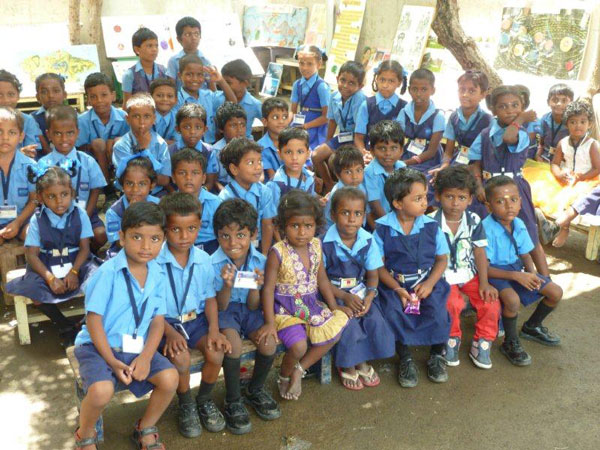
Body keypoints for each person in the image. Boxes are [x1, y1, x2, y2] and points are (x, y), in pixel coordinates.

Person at [72, 201, 177, 450]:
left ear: (162, 240)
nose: (145, 246)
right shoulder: (106, 273)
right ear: (121, 237)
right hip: (98, 346)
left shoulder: (158, 273)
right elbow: (94, 320)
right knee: (101, 392)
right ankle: (85, 434)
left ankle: (145, 426)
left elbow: (157, 320)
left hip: (137, 346)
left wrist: (147, 357)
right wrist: (111, 360)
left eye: (155, 239)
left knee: (170, 378)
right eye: (137, 237)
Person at [260, 190, 349, 400]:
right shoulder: (277, 252)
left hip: (311, 305)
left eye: (308, 226)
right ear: (283, 226)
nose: (302, 232)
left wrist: (334, 307)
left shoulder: (317, 245)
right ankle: (283, 375)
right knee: (298, 346)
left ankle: (299, 370)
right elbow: (268, 289)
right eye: (295, 226)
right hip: (284, 309)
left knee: (334, 330)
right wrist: (270, 323)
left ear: (316, 225)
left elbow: (323, 279)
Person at [157, 192, 231, 437]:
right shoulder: (155, 261)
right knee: (181, 359)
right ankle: (186, 404)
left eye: (191, 229)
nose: (184, 236)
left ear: (200, 227)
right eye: (176, 230)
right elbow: (150, 308)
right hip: (165, 323)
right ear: (165, 229)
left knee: (216, 351)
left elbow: (209, 298)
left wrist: (213, 329)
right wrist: (168, 332)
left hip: (196, 320)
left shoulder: (203, 259)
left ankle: (205, 400)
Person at [5, 162, 99, 347]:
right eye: (51, 196)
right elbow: (31, 255)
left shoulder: (80, 214)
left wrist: (74, 272)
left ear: (72, 193)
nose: (59, 201)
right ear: (40, 197)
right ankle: (66, 325)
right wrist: (49, 278)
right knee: (34, 290)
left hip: (76, 262)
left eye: (64, 194)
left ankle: (88, 325)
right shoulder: (37, 219)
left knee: (98, 281)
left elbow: (85, 248)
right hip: (46, 265)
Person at [375, 168, 451, 387]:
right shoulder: (382, 229)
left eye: (425, 196)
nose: (424, 202)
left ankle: (437, 354)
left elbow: (442, 259)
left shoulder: (431, 226)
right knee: (393, 312)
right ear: (398, 204)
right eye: (417, 198)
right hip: (395, 283)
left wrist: (429, 283)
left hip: (427, 281)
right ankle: (405, 358)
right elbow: (378, 267)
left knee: (437, 310)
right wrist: (397, 289)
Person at [211, 199, 281, 434]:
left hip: (249, 312)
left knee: (269, 344)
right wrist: (227, 285)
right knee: (233, 346)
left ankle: (255, 389)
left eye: (240, 235)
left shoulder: (260, 260)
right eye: (225, 236)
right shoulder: (213, 263)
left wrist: (255, 287)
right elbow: (220, 307)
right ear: (217, 235)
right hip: (226, 312)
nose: (233, 243)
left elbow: (253, 306)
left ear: (252, 234)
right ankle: (233, 399)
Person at [468, 84, 549, 276]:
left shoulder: (522, 133)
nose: (510, 110)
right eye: (503, 106)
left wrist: (521, 120)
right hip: (487, 189)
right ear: (493, 110)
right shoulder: (485, 134)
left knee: (529, 230)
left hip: (515, 189)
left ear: (522, 106)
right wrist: (478, 185)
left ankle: (545, 278)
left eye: (515, 105)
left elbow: (508, 137)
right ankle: (482, 274)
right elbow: (474, 163)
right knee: (480, 230)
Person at [483, 176, 563, 366]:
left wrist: (532, 274)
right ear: (488, 206)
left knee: (555, 292)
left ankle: (531, 326)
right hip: (495, 273)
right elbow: (484, 268)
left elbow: (525, 253)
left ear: (521, 201)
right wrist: (517, 275)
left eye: (514, 199)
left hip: (515, 269)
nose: (509, 205)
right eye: (500, 201)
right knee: (512, 300)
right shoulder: (485, 228)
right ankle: (510, 343)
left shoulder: (518, 223)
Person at [322, 187, 394, 390]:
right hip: (333, 294)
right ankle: (347, 364)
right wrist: (343, 297)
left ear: (364, 216)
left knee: (373, 319)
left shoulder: (367, 240)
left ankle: (362, 359)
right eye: (345, 213)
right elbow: (322, 281)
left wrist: (369, 297)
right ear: (333, 214)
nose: (352, 219)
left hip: (360, 291)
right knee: (349, 325)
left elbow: (372, 275)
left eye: (358, 214)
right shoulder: (324, 243)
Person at [429, 166, 500, 369]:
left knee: (490, 301)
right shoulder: (430, 222)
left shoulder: (474, 221)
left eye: (461, 198)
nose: (455, 203)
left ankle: (483, 341)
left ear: (470, 199)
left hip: (469, 274)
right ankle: (451, 339)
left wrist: (484, 283)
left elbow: (479, 252)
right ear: (438, 197)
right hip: (443, 276)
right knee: (453, 303)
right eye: (449, 196)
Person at [39, 105, 107, 251]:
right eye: (57, 134)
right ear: (48, 134)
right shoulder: (44, 164)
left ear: (77, 133)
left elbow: (95, 191)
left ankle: (88, 253)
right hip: (54, 215)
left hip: (85, 212)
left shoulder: (87, 161)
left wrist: (85, 217)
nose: (64, 139)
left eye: (70, 133)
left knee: (101, 234)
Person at [546, 101, 599, 247]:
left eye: (583, 122)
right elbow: (555, 163)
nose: (578, 126)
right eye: (573, 122)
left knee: (573, 196)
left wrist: (581, 177)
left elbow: (597, 168)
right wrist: (558, 174)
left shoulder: (592, 144)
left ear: (589, 124)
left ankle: (563, 228)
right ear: (567, 124)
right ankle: (562, 228)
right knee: (549, 191)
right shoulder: (563, 142)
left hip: (588, 178)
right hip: (567, 176)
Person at [312, 61, 367, 191]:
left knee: (335, 161)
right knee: (316, 155)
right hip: (343, 136)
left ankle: (346, 190)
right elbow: (332, 121)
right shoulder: (334, 96)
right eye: (342, 80)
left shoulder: (360, 99)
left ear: (360, 86)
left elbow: (360, 132)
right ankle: (330, 184)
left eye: (351, 83)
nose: (345, 86)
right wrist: (328, 142)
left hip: (356, 138)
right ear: (337, 79)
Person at [219, 137, 276, 255]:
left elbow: (267, 225)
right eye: (251, 162)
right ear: (234, 169)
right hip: (234, 247)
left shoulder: (264, 192)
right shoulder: (225, 197)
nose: (258, 167)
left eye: (259, 161)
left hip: (259, 245)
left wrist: (263, 256)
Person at [432, 70, 492, 177]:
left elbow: (488, 155)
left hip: (476, 169)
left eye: (472, 91)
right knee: (429, 181)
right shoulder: (454, 117)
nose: (464, 95)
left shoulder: (488, 121)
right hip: (457, 161)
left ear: (483, 94)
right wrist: (444, 166)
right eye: (461, 89)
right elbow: (448, 152)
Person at [112, 93, 172, 197]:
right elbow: (126, 178)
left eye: (147, 116)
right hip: (130, 195)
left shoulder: (161, 144)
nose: (141, 122)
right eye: (136, 116)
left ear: (154, 119)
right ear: (127, 119)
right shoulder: (121, 146)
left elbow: (165, 180)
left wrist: (144, 151)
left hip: (156, 194)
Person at [396, 69, 445, 188]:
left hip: (429, 160)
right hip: (408, 154)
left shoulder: (438, 116)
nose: (419, 94)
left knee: (415, 184)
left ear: (432, 90)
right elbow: (397, 140)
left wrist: (405, 163)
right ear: (409, 90)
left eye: (424, 89)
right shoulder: (404, 112)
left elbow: (431, 151)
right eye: (415, 89)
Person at [76, 73, 130, 180]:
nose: (99, 100)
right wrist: (97, 147)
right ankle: (105, 186)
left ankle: (121, 181)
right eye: (93, 97)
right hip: (92, 163)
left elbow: (131, 142)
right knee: (98, 144)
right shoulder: (81, 121)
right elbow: (78, 148)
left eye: (104, 95)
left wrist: (113, 143)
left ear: (113, 96)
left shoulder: (124, 117)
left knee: (119, 141)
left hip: (117, 159)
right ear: (88, 99)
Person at [105, 155, 160, 258]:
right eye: (129, 183)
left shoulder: (159, 205)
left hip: (153, 251)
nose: (135, 189)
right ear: (122, 185)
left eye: (142, 184)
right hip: (123, 254)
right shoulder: (114, 212)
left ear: (152, 185)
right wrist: (131, 216)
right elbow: (118, 243)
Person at [174, 54, 236, 144]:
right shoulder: (176, 99)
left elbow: (232, 102)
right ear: (180, 76)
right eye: (189, 74)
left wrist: (221, 80)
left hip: (210, 145)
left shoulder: (208, 95)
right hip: (186, 146)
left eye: (199, 75)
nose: (195, 79)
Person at [171, 148, 222, 254]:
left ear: (204, 178)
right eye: (182, 173)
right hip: (178, 249)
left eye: (195, 173)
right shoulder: (167, 205)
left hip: (211, 250)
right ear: (173, 178)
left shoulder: (216, 203)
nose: (188, 178)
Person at [0, 107, 37, 244]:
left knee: (32, 236)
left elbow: (35, 199)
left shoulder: (30, 166)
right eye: (0, 132)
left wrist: (17, 223)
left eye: (12, 132)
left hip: (22, 219)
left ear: (21, 136)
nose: (5, 137)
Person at [354, 60, 408, 153]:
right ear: (376, 79)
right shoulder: (366, 105)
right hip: (369, 152)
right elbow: (359, 137)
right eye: (382, 80)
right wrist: (364, 154)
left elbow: (401, 141)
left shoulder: (404, 108)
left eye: (391, 81)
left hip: (391, 156)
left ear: (399, 83)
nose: (385, 85)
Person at [290, 45, 330, 150]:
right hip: (300, 123)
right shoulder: (296, 85)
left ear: (319, 64)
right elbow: (293, 111)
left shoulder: (322, 87)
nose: (304, 68)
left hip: (316, 127)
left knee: (307, 151)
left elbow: (326, 117)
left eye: (310, 64)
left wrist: (306, 126)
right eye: (301, 63)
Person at [363, 120, 406, 219]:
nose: (388, 153)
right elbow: (375, 204)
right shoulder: (369, 172)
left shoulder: (402, 167)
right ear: (372, 151)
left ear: (401, 151)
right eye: (382, 148)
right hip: (380, 219)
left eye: (394, 148)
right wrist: (390, 224)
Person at [323, 145, 369, 229]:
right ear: (338, 175)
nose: (354, 176)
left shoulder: (361, 186)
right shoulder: (337, 194)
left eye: (358, 170)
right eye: (348, 172)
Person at [267, 127, 315, 207]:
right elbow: (272, 215)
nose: (294, 157)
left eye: (300, 152)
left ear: (307, 154)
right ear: (280, 154)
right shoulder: (276, 184)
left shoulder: (310, 177)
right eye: (288, 152)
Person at [0, 69, 43, 158]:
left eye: (11, 94)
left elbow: (31, 151)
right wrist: (19, 153)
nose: (6, 100)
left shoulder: (28, 120)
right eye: (0, 95)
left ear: (18, 95)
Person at [206, 102, 248, 192]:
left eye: (242, 125)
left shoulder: (250, 149)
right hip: (223, 189)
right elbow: (214, 180)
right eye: (233, 125)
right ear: (221, 129)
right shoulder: (215, 151)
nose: (239, 130)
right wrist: (225, 192)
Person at [122, 27, 168, 104]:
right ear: (137, 49)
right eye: (149, 46)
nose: (154, 49)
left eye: (156, 46)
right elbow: (127, 103)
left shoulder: (163, 71)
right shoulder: (129, 75)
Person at [167, 16, 212, 90]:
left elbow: (211, 88)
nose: (193, 38)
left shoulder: (205, 61)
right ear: (179, 39)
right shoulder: (174, 61)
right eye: (188, 34)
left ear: (200, 36)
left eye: (196, 34)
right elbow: (171, 88)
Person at [220, 59, 262, 138]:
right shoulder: (218, 99)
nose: (225, 86)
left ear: (244, 83)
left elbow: (269, 122)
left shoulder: (255, 104)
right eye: (223, 83)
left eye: (228, 83)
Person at [534, 83, 573, 162]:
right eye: (555, 100)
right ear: (548, 102)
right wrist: (538, 155)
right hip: (545, 157)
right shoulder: (544, 119)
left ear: (571, 103)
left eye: (564, 100)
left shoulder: (572, 122)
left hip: (563, 160)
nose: (559, 104)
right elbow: (541, 143)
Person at [33, 73, 68, 155]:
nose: (51, 96)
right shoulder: (32, 119)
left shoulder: (74, 116)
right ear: (38, 97)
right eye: (44, 92)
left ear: (64, 95)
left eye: (56, 91)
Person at [258, 97, 290, 180]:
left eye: (284, 117)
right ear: (265, 122)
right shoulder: (260, 147)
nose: (281, 121)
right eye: (276, 117)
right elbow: (273, 177)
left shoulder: (292, 142)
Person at [150, 77, 178, 143]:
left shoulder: (179, 118)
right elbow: (142, 140)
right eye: (159, 95)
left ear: (176, 100)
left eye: (170, 96)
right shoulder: (144, 116)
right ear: (150, 98)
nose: (165, 99)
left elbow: (177, 144)